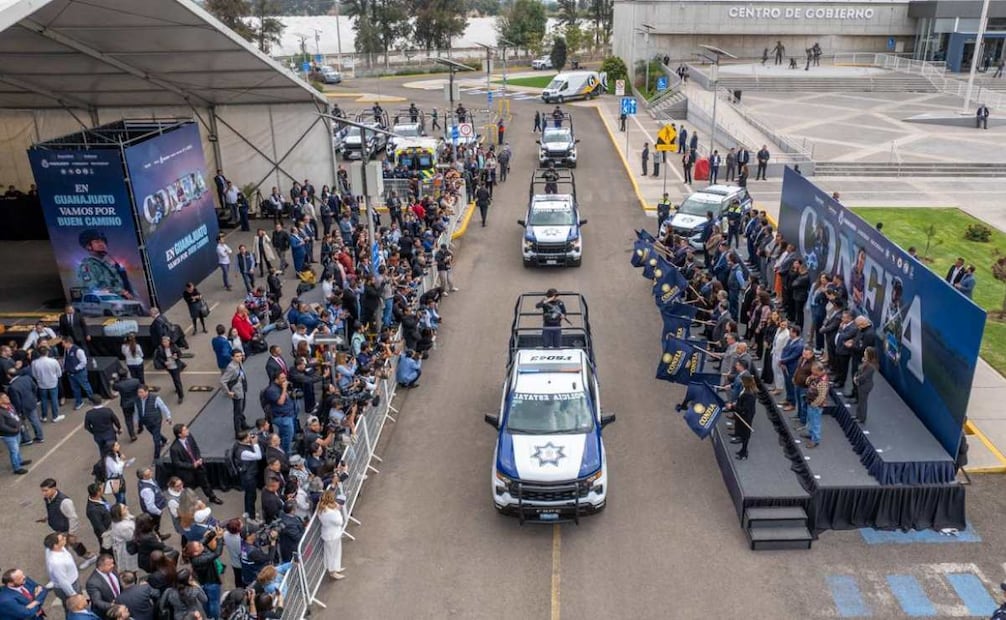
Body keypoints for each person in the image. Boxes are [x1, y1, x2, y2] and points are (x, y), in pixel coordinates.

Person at [168, 424, 224, 505]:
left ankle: (212, 497)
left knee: (205, 483)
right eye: (185, 430)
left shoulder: (189, 437)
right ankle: (191, 503)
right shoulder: (174, 448)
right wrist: (192, 465)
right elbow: (177, 463)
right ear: (179, 434)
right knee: (189, 489)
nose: (188, 430)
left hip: (198, 466)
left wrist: (198, 458)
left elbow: (195, 448)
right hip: (187, 472)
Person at [75, 229, 135, 299]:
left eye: (103, 241)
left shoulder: (109, 265)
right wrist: (120, 291)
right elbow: (92, 290)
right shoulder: (86, 267)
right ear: (88, 246)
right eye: (97, 242)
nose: (102, 244)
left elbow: (123, 285)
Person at [63, 336, 100, 410]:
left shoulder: (78, 351)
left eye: (63, 343)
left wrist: (75, 369)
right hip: (70, 373)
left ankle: (93, 400)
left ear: (68, 342)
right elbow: (66, 359)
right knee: (75, 389)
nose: (62, 345)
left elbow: (84, 362)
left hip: (80, 373)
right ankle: (79, 402)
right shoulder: (66, 350)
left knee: (86, 387)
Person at [44, 532, 80, 608]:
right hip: (70, 586)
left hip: (71, 581)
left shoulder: (59, 548)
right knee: (75, 607)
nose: (64, 538)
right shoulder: (57, 563)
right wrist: (73, 595)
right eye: (62, 539)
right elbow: (63, 581)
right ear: (55, 545)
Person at [263, 373, 297, 454]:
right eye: (282, 378)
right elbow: (280, 402)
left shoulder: (280, 386)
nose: (285, 380)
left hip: (288, 413)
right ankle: (286, 453)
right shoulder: (271, 390)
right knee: (288, 436)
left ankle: (281, 449)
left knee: (283, 435)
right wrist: (284, 388)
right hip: (282, 417)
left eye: (285, 377)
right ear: (276, 379)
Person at [318, 490, 346, 580]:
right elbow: (340, 521)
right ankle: (332, 572)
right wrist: (337, 510)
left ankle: (336, 568)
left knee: (334, 552)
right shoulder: (330, 512)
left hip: (330, 533)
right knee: (332, 554)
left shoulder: (321, 508)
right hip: (332, 535)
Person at [31, 345, 63, 423]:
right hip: (53, 383)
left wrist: (39, 379)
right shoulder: (53, 361)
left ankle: (44, 416)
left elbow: (34, 375)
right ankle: (55, 416)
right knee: (54, 400)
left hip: (42, 384)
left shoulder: (34, 362)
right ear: (47, 352)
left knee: (43, 400)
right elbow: (59, 373)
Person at [221, 350, 250, 435]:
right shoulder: (231, 367)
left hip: (242, 388)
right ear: (232, 357)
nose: (239, 358)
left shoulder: (239, 363)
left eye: (240, 356)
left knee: (242, 408)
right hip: (236, 391)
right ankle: (238, 431)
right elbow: (223, 381)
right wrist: (228, 392)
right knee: (237, 411)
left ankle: (243, 424)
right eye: (237, 356)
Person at [729, 375, 757, 459]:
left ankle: (744, 452)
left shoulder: (749, 394)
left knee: (745, 435)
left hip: (746, 416)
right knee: (742, 433)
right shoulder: (746, 390)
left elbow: (744, 409)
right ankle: (742, 450)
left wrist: (732, 407)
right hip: (743, 415)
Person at [803, 362, 829, 449]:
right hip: (810, 402)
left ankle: (815, 440)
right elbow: (807, 383)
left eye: (813, 370)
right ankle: (810, 434)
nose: (811, 371)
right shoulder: (815, 377)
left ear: (818, 371)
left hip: (816, 405)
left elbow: (822, 396)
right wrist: (810, 378)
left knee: (815, 422)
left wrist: (815, 404)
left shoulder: (823, 382)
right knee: (810, 419)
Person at [153, 336, 186, 404]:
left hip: (175, 366)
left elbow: (179, 354)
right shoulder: (160, 348)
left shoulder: (174, 346)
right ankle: (177, 389)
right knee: (174, 378)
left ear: (169, 341)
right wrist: (164, 362)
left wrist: (176, 356)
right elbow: (159, 357)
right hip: (168, 367)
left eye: (166, 342)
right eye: (163, 342)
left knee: (177, 380)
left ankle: (181, 396)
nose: (165, 343)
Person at [85, 482, 113, 556]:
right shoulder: (92, 510)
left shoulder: (99, 498)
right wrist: (106, 535)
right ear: (97, 493)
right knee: (107, 547)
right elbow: (98, 525)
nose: (103, 490)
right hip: (106, 531)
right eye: (101, 489)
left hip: (110, 524)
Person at [109, 504, 138, 572]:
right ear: (120, 514)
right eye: (124, 508)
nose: (127, 507)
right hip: (127, 548)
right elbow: (131, 537)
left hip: (121, 545)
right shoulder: (124, 527)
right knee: (130, 567)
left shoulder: (115, 521)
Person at [853, 346, 877, 424]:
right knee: (860, 401)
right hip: (861, 383)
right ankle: (857, 415)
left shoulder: (871, 366)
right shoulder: (865, 362)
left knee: (863, 402)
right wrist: (856, 376)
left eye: (865, 352)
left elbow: (864, 376)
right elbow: (859, 371)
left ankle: (862, 418)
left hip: (865, 386)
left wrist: (857, 379)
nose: (864, 353)